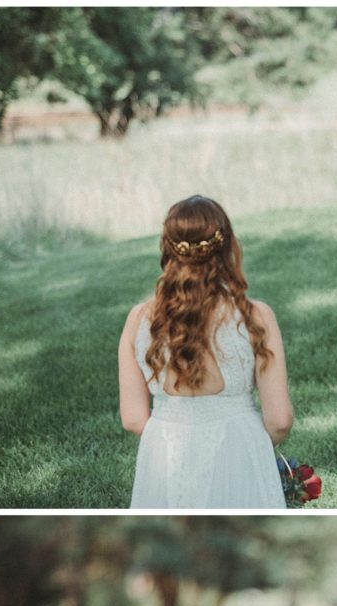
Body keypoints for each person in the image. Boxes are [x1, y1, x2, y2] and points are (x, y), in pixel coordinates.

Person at [118, 195, 292, 508]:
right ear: (227, 247)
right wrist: (252, 450)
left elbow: (133, 419)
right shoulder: (256, 317)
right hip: (239, 445)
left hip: (164, 450)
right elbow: (279, 420)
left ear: (168, 249)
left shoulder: (138, 320)